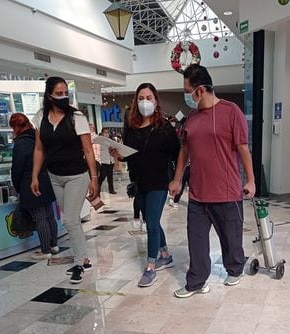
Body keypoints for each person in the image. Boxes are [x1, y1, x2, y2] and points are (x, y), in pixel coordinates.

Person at [169, 64, 256, 298]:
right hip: (198, 193)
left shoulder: (231, 111)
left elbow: (243, 148)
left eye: (188, 90)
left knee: (231, 239)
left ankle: (235, 269)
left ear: (200, 90)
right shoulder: (191, 118)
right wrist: (177, 180)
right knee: (196, 241)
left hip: (226, 191)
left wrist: (251, 180)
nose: (186, 95)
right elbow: (184, 152)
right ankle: (196, 282)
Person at [110, 82, 180, 287]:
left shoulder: (164, 127)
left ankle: (150, 267)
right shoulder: (131, 127)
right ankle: (165, 254)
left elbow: (178, 154)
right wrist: (118, 155)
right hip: (139, 181)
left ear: (156, 101)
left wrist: (177, 180)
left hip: (159, 181)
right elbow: (131, 154)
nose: (144, 102)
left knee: (150, 222)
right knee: (153, 220)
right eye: (140, 98)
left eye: (148, 98)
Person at [31, 76, 99, 284]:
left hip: (77, 175)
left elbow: (88, 150)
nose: (63, 97)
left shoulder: (75, 116)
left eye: (65, 93)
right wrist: (34, 175)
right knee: (71, 220)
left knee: (69, 219)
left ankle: (79, 263)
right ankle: (84, 257)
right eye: (58, 93)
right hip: (54, 175)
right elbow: (39, 149)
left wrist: (94, 178)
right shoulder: (41, 117)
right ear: (49, 95)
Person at [9, 113, 58, 260]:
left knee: (39, 217)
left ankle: (45, 250)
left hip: (30, 183)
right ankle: (54, 245)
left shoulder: (20, 143)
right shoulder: (37, 137)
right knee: (49, 214)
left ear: (15, 127)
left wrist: (17, 187)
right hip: (46, 180)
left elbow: (17, 168)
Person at [98, 128, 116, 194]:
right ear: (102, 133)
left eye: (108, 132)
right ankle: (97, 188)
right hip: (104, 161)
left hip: (111, 161)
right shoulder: (99, 141)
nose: (106, 134)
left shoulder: (111, 141)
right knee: (102, 176)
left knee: (110, 177)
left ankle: (111, 190)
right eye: (105, 132)